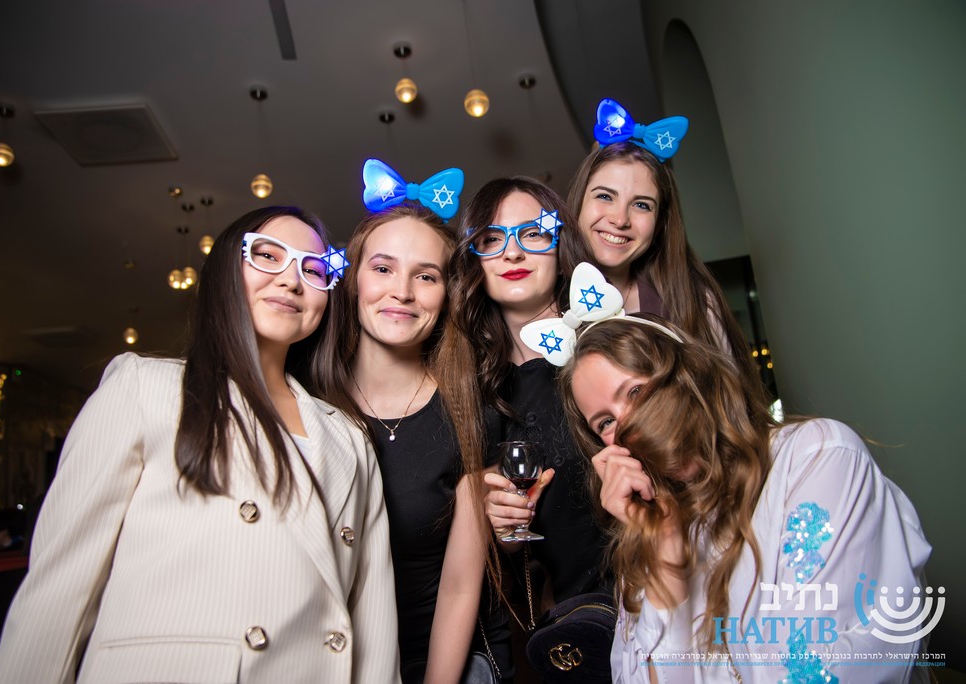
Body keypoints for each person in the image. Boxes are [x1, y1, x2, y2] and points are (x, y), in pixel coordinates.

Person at [0, 206, 400, 684]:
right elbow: (60, 591)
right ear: (225, 271)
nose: (291, 280)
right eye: (267, 256)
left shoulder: (349, 437)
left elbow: (373, 620)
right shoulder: (143, 390)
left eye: (313, 268)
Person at [557, 311, 931, 683]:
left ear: (688, 372)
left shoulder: (814, 458)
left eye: (636, 391)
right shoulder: (648, 540)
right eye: (606, 422)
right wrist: (665, 562)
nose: (629, 426)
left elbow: (814, 671)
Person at [313, 159, 508, 683]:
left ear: (447, 295)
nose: (402, 291)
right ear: (351, 281)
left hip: (437, 661)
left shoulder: (472, 413)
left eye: (425, 276)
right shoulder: (306, 400)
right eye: (382, 269)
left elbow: (461, 587)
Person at [448, 177, 612, 625]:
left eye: (534, 233)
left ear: (561, 249)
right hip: (580, 628)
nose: (512, 253)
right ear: (474, 260)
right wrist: (506, 529)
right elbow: (520, 548)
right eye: (492, 238)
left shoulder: (614, 347)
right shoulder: (476, 391)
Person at [566, 99, 755, 379]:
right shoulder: (544, 302)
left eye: (641, 205)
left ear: (660, 222)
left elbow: (732, 399)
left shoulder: (693, 301)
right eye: (605, 196)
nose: (620, 219)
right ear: (579, 202)